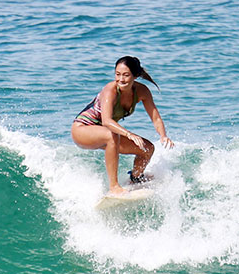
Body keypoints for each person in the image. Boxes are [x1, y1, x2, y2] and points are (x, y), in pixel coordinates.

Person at [71, 56, 174, 195]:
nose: (121, 79)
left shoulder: (142, 91)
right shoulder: (110, 90)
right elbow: (106, 121)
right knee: (111, 134)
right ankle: (114, 187)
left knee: (147, 149)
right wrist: (129, 135)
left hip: (105, 133)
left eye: (126, 75)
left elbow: (155, 117)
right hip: (82, 130)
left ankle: (135, 178)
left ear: (135, 76)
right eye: (117, 74)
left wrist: (163, 136)